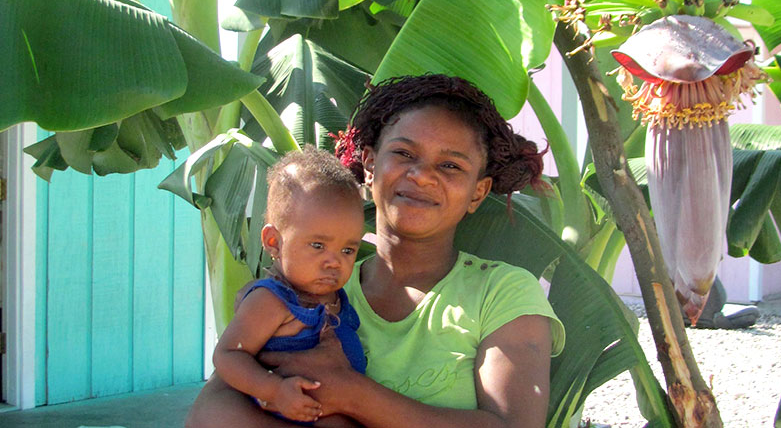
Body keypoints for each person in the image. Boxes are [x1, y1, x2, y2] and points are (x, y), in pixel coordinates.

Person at [187, 74, 565, 428]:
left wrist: (352, 395)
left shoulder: (502, 293)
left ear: (477, 193)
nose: (421, 175)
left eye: (450, 165)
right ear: (369, 165)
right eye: (404, 154)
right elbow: (211, 409)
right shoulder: (312, 288)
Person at [212, 146, 366, 426]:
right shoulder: (272, 301)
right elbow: (227, 355)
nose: (334, 262)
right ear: (274, 242)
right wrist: (274, 390)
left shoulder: (338, 298)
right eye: (318, 246)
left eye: (348, 250)